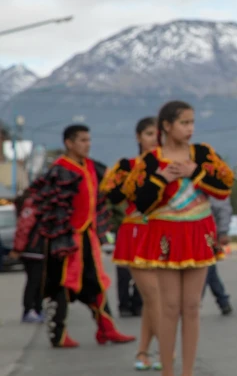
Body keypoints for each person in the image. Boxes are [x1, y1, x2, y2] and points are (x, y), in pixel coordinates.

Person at [121, 101, 233, 376]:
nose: (190, 128)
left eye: (192, 122)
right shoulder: (151, 160)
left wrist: (194, 172)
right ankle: (168, 371)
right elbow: (138, 201)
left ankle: (188, 372)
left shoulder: (203, 153)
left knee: (192, 306)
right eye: (184, 123)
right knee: (169, 306)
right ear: (167, 126)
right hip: (165, 235)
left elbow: (225, 186)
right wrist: (159, 179)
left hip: (199, 233)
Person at [11, 125, 135, 348]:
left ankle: (107, 329)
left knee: (96, 282)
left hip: (88, 236)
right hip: (64, 238)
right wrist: (58, 235)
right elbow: (48, 206)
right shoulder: (59, 170)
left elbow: (111, 187)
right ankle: (58, 334)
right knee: (60, 284)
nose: (87, 144)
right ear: (69, 143)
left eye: (88, 139)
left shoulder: (91, 166)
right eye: (82, 140)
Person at [101, 116, 162, 370]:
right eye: (149, 133)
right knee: (155, 297)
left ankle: (143, 352)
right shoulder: (126, 166)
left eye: (158, 134)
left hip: (164, 233)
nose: (154, 139)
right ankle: (165, 350)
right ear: (138, 137)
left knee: (152, 299)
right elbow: (113, 196)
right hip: (136, 232)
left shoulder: (172, 164)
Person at [10, 187, 45, 323]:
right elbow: (23, 229)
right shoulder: (31, 207)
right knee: (33, 281)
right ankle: (28, 310)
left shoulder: (34, 206)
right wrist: (18, 248)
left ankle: (37, 309)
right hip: (32, 251)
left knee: (37, 282)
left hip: (36, 251)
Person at [202, 197, 233, 315]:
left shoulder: (209, 182)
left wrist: (223, 232)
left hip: (207, 233)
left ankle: (194, 301)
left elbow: (222, 208)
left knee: (206, 267)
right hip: (192, 232)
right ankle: (223, 301)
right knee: (210, 269)